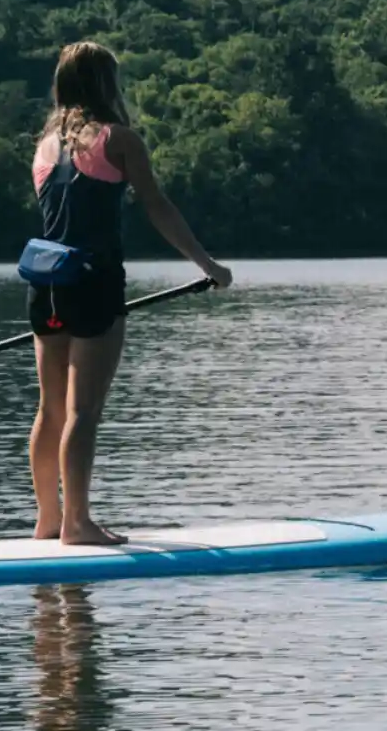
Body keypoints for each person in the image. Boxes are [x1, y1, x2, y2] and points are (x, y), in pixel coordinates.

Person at [28, 41, 231, 544]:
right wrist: (208, 265)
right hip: (94, 287)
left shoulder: (44, 146)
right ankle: (77, 524)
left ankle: (47, 520)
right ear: (105, 85)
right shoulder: (120, 140)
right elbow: (157, 207)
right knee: (83, 412)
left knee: (50, 409)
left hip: (45, 287)